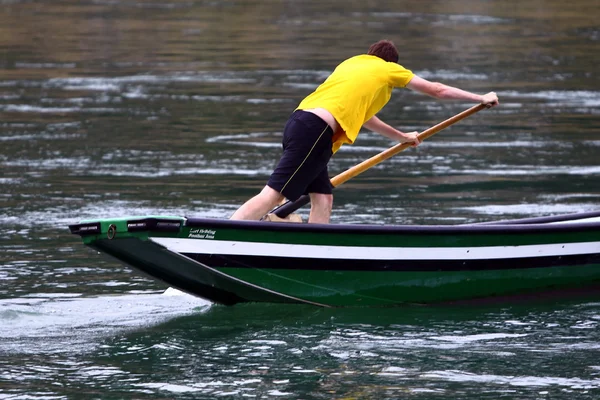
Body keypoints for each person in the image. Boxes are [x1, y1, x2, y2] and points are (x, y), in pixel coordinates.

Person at [230, 39, 499, 224]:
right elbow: (437, 90)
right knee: (274, 194)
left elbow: (364, 117)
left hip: (301, 126)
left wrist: (402, 137)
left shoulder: (351, 64)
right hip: (316, 129)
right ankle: (218, 234)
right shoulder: (389, 69)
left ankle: (314, 247)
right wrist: (480, 98)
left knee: (322, 197)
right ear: (391, 63)